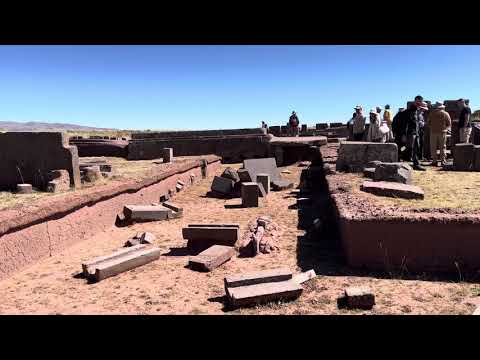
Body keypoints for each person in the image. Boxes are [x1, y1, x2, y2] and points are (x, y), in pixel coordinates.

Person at [400, 95, 427, 171]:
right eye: (419, 101)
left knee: (416, 148)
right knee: (410, 148)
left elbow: (416, 123)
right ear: (415, 101)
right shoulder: (409, 111)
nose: (420, 103)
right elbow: (405, 123)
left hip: (416, 132)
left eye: (421, 101)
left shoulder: (416, 111)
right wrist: (404, 134)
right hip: (410, 133)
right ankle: (400, 160)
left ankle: (416, 164)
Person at [428, 102, 451, 166]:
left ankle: (434, 161)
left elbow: (428, 123)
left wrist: (432, 128)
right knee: (443, 146)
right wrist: (445, 129)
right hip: (442, 132)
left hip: (433, 132)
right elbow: (449, 123)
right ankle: (443, 160)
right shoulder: (446, 113)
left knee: (433, 147)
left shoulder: (431, 113)